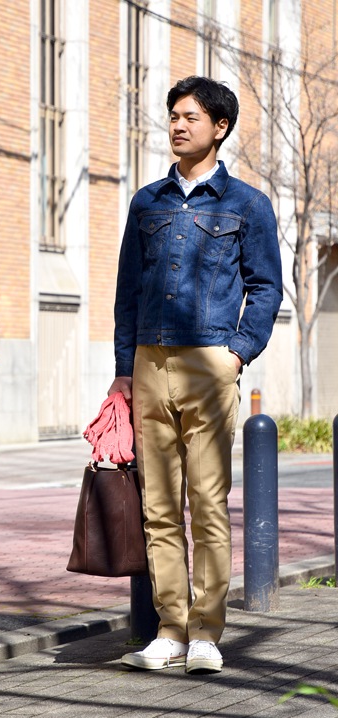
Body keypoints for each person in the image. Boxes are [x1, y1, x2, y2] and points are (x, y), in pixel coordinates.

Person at [108, 76, 283, 674]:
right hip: (148, 363)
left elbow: (265, 288)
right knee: (158, 507)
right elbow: (128, 292)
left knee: (207, 502)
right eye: (174, 116)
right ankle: (170, 631)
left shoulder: (248, 205)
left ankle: (206, 632)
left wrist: (236, 354)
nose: (178, 126)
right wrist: (123, 370)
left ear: (219, 127)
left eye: (191, 117)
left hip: (210, 363)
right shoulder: (147, 203)